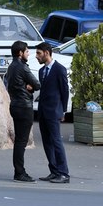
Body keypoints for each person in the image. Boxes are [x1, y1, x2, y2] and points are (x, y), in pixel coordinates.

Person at [4, 40, 41, 183]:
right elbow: (37, 84)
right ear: (20, 53)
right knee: (21, 141)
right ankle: (19, 172)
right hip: (24, 106)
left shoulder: (11, 66)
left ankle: (18, 171)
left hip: (15, 105)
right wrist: (30, 86)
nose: (28, 53)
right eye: (26, 51)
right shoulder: (22, 67)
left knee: (19, 140)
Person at [35, 42, 70, 183]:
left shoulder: (59, 69)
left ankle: (63, 173)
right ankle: (54, 171)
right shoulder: (41, 71)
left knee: (56, 141)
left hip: (54, 111)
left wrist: (63, 110)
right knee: (47, 142)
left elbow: (64, 91)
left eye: (39, 53)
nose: (37, 56)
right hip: (43, 112)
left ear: (47, 53)